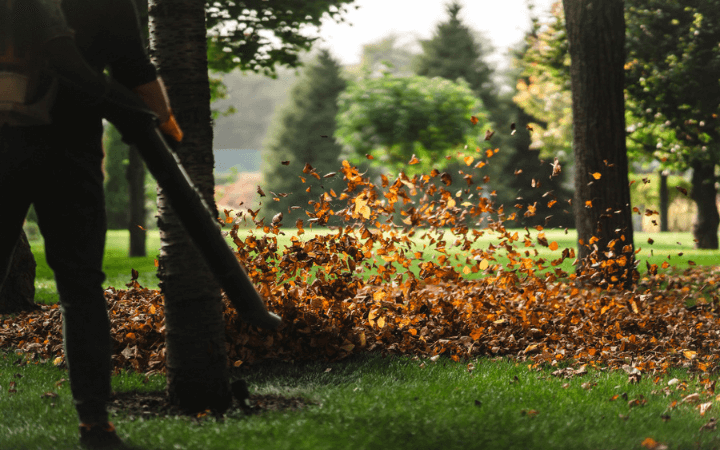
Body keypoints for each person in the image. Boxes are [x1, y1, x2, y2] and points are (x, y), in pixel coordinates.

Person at [0, 0, 181, 448]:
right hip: (71, 153)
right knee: (81, 290)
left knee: (81, 289)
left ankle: (96, 423)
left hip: (17, 147)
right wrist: (165, 122)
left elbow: (129, 65)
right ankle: (95, 425)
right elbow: (132, 68)